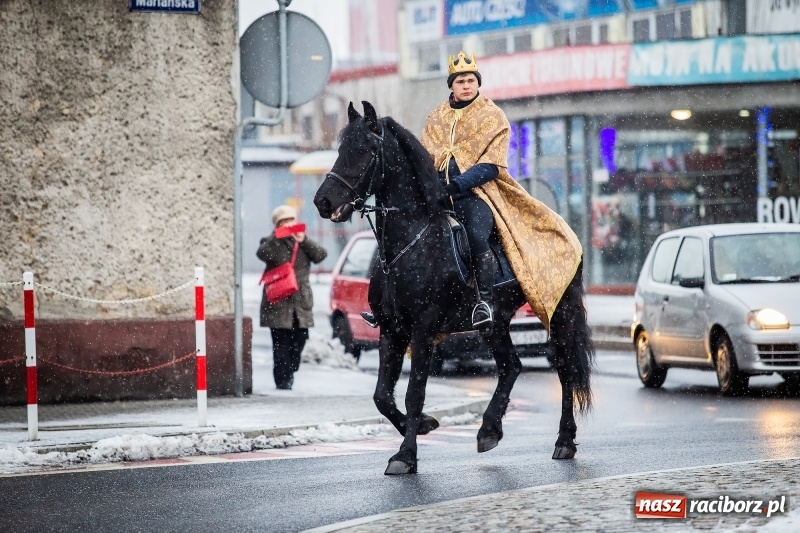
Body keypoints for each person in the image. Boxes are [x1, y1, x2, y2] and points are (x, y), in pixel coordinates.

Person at [420, 51, 583, 335]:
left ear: (477, 82)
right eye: (460, 81)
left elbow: (492, 165)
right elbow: (426, 158)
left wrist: (458, 185)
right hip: (439, 198)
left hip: (477, 195)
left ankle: (483, 301)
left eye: (470, 80)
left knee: (475, 235)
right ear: (451, 86)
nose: (466, 85)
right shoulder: (436, 118)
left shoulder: (492, 115)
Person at [257, 205, 327, 390]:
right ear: (277, 224)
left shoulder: (303, 242)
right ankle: (283, 381)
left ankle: (291, 368)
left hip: (300, 302)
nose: (289, 224)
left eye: (291, 220)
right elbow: (262, 254)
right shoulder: (270, 242)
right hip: (278, 302)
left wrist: (304, 240)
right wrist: (277, 236)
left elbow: (321, 255)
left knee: (300, 339)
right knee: (280, 345)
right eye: (284, 221)